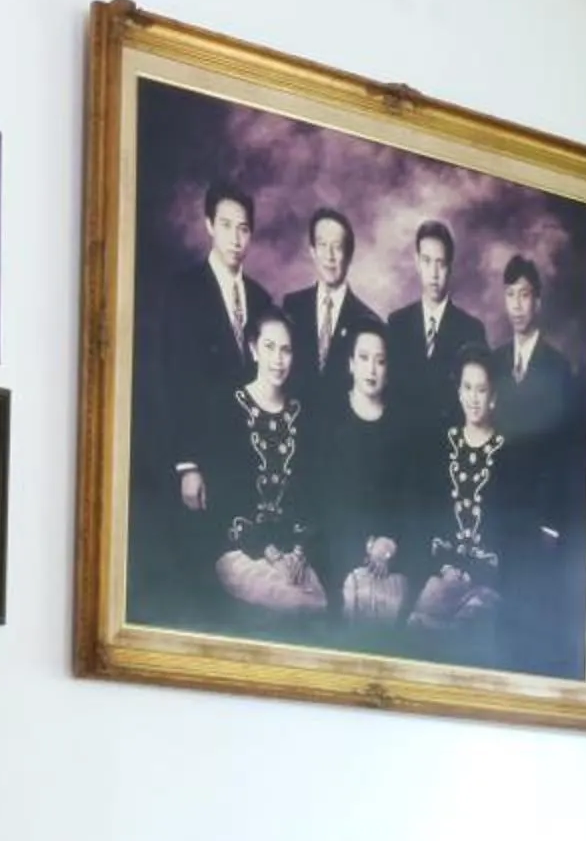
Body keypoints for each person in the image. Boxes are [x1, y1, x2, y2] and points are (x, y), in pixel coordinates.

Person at [148, 183, 278, 514]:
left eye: (244, 228)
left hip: (250, 461)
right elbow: (173, 380)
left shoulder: (262, 298)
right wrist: (187, 465)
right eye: (226, 225)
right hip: (201, 458)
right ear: (208, 225)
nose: (236, 238)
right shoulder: (183, 290)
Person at [194, 314, 324, 620]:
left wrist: (298, 552)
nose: (278, 360)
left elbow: (308, 494)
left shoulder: (300, 413)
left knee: (320, 604)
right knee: (297, 607)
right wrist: (271, 554)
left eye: (286, 350)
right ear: (253, 350)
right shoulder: (228, 408)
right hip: (241, 549)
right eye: (269, 347)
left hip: (291, 551)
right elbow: (226, 500)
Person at [411, 346, 527, 655]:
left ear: (493, 397)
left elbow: (512, 534)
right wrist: (444, 567)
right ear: (458, 392)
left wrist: (476, 573)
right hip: (441, 571)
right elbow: (427, 517)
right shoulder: (441, 446)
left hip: (488, 580)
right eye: (467, 388)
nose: (473, 398)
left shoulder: (510, 454)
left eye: (481, 389)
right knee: (419, 631)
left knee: (468, 636)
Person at [301, 324, 416, 621]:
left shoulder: (402, 423)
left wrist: (389, 544)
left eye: (380, 361)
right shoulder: (329, 416)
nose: (372, 369)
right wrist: (363, 546)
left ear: (388, 369)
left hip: (388, 552)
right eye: (363, 358)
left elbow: (408, 500)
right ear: (351, 364)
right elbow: (321, 499)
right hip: (334, 547)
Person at [386, 220, 490, 437]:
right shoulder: (397, 324)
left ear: (450, 266)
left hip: (450, 451)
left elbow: (477, 406)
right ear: (416, 262)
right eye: (426, 261)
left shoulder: (471, 330)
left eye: (440, 263)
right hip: (403, 451)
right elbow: (390, 397)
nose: (433, 273)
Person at [280, 207, 382, 398]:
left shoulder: (366, 319)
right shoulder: (292, 306)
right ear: (312, 251)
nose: (329, 256)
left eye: (337, 246)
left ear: (349, 255)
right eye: (322, 245)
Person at [494, 254, 581, 447]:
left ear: (537, 302)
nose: (516, 306)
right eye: (510, 294)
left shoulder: (559, 368)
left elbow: (565, 441)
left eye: (524, 295)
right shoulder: (495, 360)